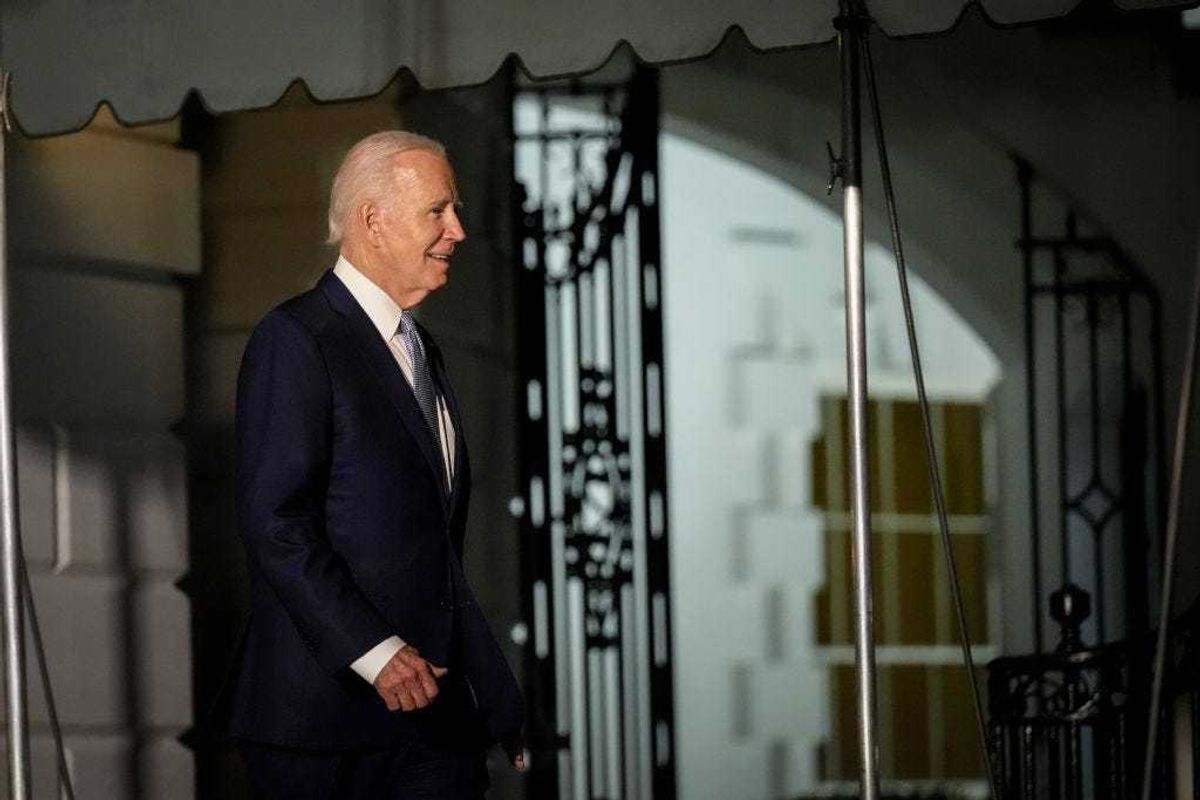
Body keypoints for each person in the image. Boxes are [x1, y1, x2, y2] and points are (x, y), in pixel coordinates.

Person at [225, 131, 524, 799]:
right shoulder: (297, 340)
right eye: (437, 211)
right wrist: (378, 653)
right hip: (322, 730)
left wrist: (495, 694)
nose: (459, 230)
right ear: (371, 219)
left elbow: (434, 553)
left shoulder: (422, 349)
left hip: (434, 726)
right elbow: (275, 521)